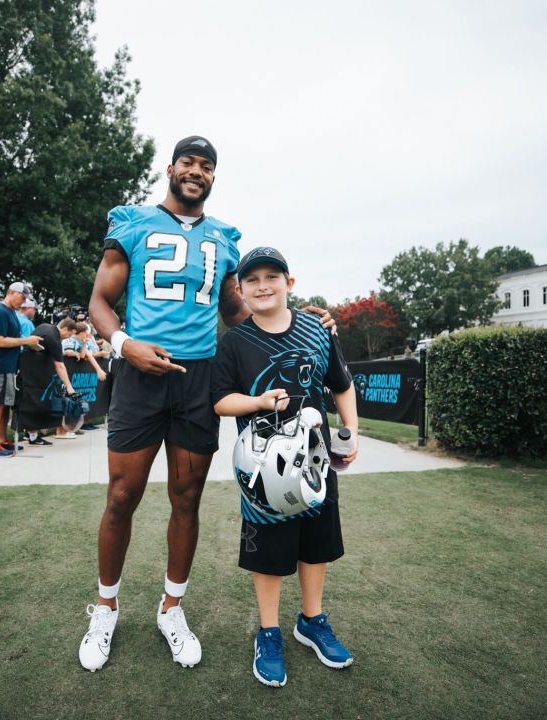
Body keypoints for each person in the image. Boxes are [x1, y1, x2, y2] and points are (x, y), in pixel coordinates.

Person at [80, 135, 334, 672]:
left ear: (214, 177)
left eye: (207, 166)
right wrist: (126, 345)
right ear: (171, 168)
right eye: (188, 163)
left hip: (198, 380)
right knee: (122, 494)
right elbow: (99, 301)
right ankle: (105, 606)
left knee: (187, 496)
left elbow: (241, 313)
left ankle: (172, 607)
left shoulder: (223, 237)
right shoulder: (132, 222)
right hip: (138, 373)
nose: (196, 172)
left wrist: (301, 319)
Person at [212, 246, 360, 687]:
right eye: (252, 280)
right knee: (271, 555)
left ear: (289, 283)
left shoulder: (317, 330)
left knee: (317, 545)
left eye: (271, 277)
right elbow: (221, 400)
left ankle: (312, 621)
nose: (262, 286)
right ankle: (270, 631)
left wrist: (350, 431)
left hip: (315, 461)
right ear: (241, 289)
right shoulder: (235, 341)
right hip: (263, 470)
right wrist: (258, 402)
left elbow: (342, 385)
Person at [0, 281, 42, 457]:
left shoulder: (11, 313)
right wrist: (26, 341)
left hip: (9, 366)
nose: (23, 302)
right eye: (21, 297)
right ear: (10, 292)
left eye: (25, 298)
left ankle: (1, 440)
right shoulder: (0, 312)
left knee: (6, 404)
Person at [25, 317, 83, 445]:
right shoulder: (54, 338)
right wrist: (69, 387)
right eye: (69, 334)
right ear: (65, 329)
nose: (68, 337)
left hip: (26, 368)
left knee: (29, 402)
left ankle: (31, 432)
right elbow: (60, 366)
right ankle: (33, 436)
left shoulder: (44, 326)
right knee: (37, 403)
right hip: (33, 373)